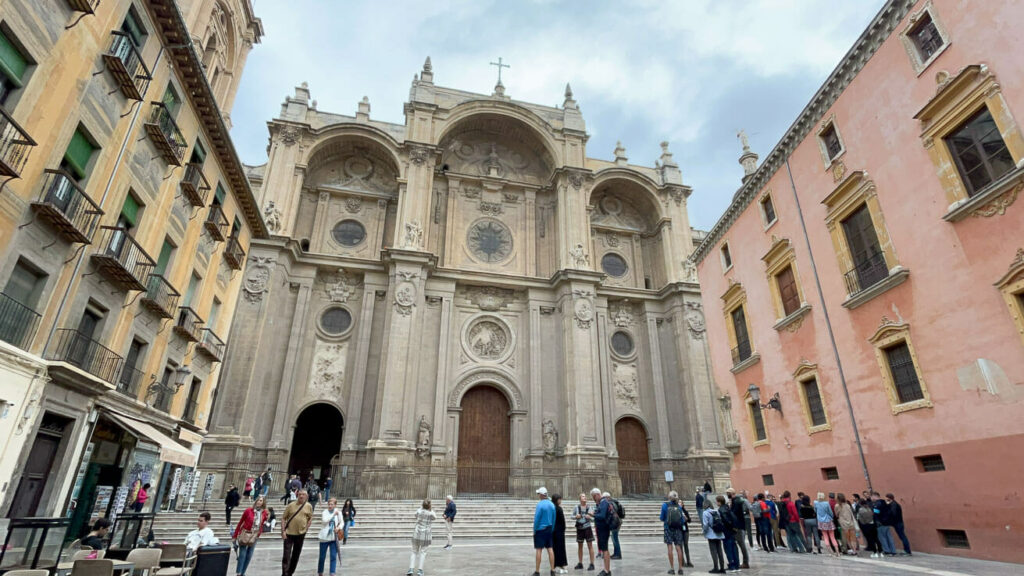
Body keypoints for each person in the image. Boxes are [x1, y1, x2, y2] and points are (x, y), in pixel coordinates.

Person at [280, 489, 313, 576]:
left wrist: (306, 528)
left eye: (303, 495)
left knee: (296, 555)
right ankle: (285, 573)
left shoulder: (309, 506)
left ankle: (290, 572)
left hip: (300, 534)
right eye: (300, 494)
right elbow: (283, 518)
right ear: (297, 495)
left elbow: (310, 518)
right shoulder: (291, 505)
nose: (301, 496)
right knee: (286, 555)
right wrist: (283, 531)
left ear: (306, 496)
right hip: (289, 533)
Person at [233, 495, 268, 576]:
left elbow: (262, 524)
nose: (259, 502)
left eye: (261, 500)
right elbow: (240, 522)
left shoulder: (264, 513)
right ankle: (239, 573)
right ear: (256, 501)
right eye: (258, 500)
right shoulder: (248, 510)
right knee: (242, 554)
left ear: (263, 503)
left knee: (249, 554)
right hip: (245, 533)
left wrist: (259, 532)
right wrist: (235, 535)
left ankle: (243, 573)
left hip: (255, 535)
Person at [660, 491, 686, 574]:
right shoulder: (679, 506)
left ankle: (672, 568)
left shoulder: (665, 505)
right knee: (679, 548)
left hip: (668, 528)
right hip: (678, 529)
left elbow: (661, 518)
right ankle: (680, 568)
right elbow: (682, 520)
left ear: (669, 497)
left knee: (670, 548)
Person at [408, 499, 436, 576]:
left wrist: (421, 508)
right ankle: (420, 570)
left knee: (414, 552)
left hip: (417, 533)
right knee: (423, 552)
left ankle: (410, 569)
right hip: (425, 535)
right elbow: (434, 517)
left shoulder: (419, 511)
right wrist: (430, 509)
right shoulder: (431, 513)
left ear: (422, 505)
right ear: (429, 505)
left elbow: (415, 514)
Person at [533, 487, 557, 576]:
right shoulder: (552, 505)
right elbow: (554, 518)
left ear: (542, 495)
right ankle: (552, 570)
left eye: (539, 494)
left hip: (540, 530)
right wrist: (552, 528)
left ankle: (537, 571)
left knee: (539, 550)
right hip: (549, 529)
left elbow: (537, 519)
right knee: (550, 549)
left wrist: (534, 530)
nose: (538, 495)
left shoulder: (540, 505)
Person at [317, 498, 343, 576]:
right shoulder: (325, 512)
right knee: (322, 557)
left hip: (333, 537)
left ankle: (332, 572)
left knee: (333, 556)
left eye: (332, 504)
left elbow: (342, 522)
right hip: (324, 537)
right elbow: (325, 521)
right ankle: (320, 571)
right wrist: (333, 514)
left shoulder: (339, 513)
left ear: (335, 505)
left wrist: (338, 528)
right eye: (329, 504)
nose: (330, 506)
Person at [592, 490, 614, 576]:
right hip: (601, 529)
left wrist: (592, 515)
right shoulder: (601, 503)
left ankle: (607, 570)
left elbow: (602, 516)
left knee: (605, 549)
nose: (594, 499)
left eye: (594, 497)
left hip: (604, 529)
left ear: (598, 495)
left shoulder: (604, 502)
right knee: (604, 549)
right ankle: (606, 569)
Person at [701, 498, 725, 574]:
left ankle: (716, 567)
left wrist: (704, 532)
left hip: (711, 534)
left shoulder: (705, 513)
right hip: (719, 533)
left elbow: (705, 525)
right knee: (720, 550)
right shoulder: (716, 511)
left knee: (713, 551)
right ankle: (722, 567)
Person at [726, 489, 749, 568]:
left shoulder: (736, 501)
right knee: (741, 544)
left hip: (738, 526)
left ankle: (745, 562)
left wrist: (729, 508)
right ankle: (743, 562)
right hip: (739, 525)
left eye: (728, 493)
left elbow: (733, 513)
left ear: (731, 493)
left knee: (742, 545)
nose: (727, 495)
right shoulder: (735, 501)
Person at [572, 492, 596, 571]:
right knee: (580, 546)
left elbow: (593, 519)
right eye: (583, 496)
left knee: (590, 546)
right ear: (580, 499)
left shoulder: (589, 507)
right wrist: (576, 516)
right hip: (579, 528)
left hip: (587, 528)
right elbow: (571, 516)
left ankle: (592, 563)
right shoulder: (576, 507)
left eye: (585, 496)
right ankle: (580, 563)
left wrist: (590, 517)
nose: (584, 497)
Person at [716, 495, 740, 573]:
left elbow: (726, 520)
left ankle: (732, 565)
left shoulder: (721, 509)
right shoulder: (727, 507)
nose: (716, 503)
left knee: (728, 548)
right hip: (732, 531)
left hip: (726, 531)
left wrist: (728, 526)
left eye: (717, 501)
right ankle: (737, 565)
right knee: (734, 548)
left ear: (719, 502)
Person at [814, 492, 839, 556]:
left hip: (821, 522)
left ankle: (831, 552)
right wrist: (832, 517)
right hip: (828, 520)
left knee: (825, 537)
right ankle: (837, 552)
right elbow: (830, 512)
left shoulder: (816, 503)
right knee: (832, 537)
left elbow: (815, 511)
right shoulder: (826, 503)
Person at [872, 492, 896, 556]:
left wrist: (876, 521)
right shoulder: (885, 502)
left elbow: (876, 514)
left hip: (880, 523)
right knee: (889, 536)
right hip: (887, 522)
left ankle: (887, 551)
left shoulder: (877, 504)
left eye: (872, 497)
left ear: (874, 496)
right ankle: (893, 550)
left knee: (882, 537)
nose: (871, 498)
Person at [552, 494, 569, 574]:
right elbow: (562, 521)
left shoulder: (552, 508)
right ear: (557, 500)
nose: (560, 500)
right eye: (560, 499)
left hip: (553, 531)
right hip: (559, 532)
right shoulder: (559, 509)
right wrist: (563, 529)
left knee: (554, 548)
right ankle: (561, 564)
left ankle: (554, 564)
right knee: (561, 549)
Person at [608, 493, 624, 560]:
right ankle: (616, 553)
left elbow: (612, 513)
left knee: (615, 539)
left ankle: (617, 554)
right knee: (614, 538)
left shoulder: (611, 504)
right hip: (617, 522)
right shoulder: (615, 502)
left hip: (615, 523)